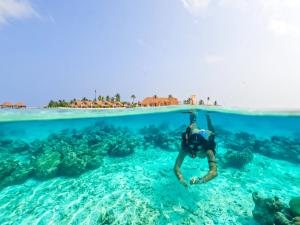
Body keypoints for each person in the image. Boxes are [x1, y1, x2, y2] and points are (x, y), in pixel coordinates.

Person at [174, 111, 217, 188]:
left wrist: (200, 180)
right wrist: (180, 178)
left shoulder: (208, 150)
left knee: (212, 133)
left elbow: (214, 172)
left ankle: (208, 117)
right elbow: (176, 167)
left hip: (202, 134)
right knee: (193, 126)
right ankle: (193, 115)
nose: (195, 150)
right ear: (189, 144)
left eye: (199, 148)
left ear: (203, 146)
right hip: (194, 132)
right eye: (192, 146)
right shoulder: (186, 147)